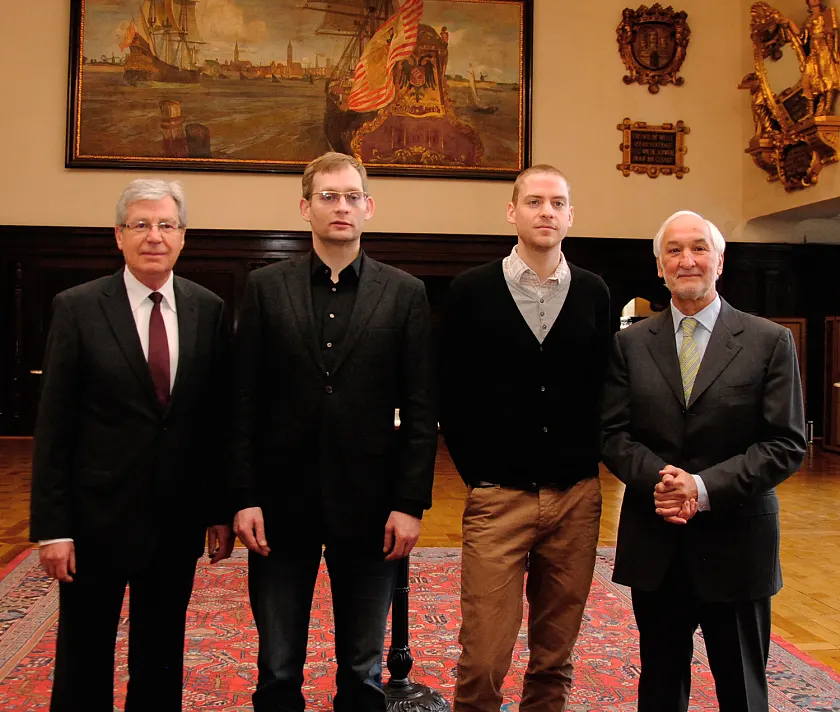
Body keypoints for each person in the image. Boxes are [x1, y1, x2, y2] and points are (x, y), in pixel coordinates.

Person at [231, 151, 437, 712]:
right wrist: (244, 497)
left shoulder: (405, 293)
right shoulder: (265, 288)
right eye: (328, 196)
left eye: (351, 196)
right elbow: (242, 401)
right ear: (305, 207)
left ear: (368, 207)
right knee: (276, 669)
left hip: (372, 510)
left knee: (362, 672)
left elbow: (422, 410)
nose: (340, 207)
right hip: (279, 506)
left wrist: (410, 503)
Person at [29, 179, 234, 712]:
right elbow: (54, 425)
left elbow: (213, 421)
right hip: (95, 519)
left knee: (162, 653)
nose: (154, 236)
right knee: (85, 656)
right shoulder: (77, 307)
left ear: (183, 236)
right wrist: (54, 528)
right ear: (118, 236)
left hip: (176, 518)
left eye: (166, 224)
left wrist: (217, 511)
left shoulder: (207, 310)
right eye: (140, 224)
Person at [600, 210, 807, 712]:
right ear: (659, 266)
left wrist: (702, 487)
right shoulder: (629, 345)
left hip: (737, 544)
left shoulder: (768, 341)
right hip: (658, 543)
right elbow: (612, 434)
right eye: (673, 250)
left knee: (742, 690)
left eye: (698, 248)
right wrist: (668, 484)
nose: (686, 259)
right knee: (661, 686)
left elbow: (785, 443)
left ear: (719, 259)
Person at [439, 164, 611, 712]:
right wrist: (479, 471)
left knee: (554, 654)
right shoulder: (471, 290)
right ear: (512, 211)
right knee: (484, 655)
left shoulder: (593, 291)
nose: (546, 212)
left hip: (576, 497)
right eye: (534, 202)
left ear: (570, 216)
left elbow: (605, 385)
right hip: (499, 495)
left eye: (557, 203)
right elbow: (451, 390)